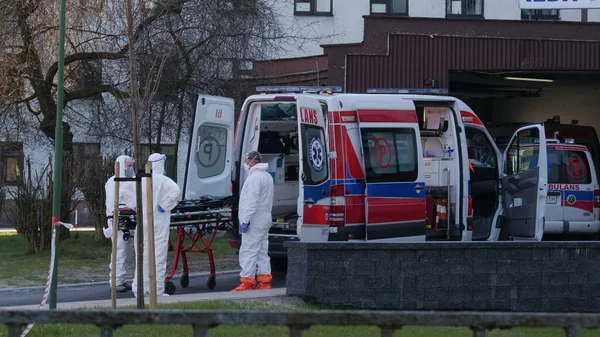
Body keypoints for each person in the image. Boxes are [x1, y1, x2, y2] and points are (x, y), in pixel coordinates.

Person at [132, 153, 181, 297]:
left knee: (142, 256)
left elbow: (132, 198)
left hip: (143, 222)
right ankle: (157, 290)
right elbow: (176, 193)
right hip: (159, 221)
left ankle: (139, 289)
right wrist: (165, 206)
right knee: (158, 256)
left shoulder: (142, 180)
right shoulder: (165, 181)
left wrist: (136, 207)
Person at [232, 151, 274, 291]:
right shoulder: (267, 176)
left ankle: (247, 282)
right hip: (264, 219)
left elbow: (251, 201)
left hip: (254, 221)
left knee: (248, 251)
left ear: (252, 161)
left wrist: (246, 220)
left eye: (246, 160)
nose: (245, 163)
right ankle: (265, 281)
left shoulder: (254, 178)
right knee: (262, 251)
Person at [104, 155, 137, 292]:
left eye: (131, 165)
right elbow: (126, 200)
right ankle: (115, 281)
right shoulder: (115, 181)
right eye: (128, 166)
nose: (131, 168)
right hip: (119, 219)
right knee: (120, 250)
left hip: (128, 218)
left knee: (128, 251)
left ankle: (121, 279)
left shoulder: (129, 181)